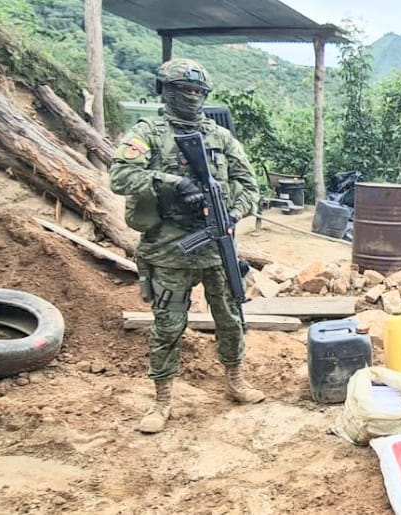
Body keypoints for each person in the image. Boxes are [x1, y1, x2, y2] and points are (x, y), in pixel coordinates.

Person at [110, 58, 264, 433]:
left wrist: (232, 215)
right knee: (168, 325)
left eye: (198, 92)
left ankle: (236, 380)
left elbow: (249, 185)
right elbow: (120, 175)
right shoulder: (148, 132)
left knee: (230, 317)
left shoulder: (220, 136)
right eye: (184, 90)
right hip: (169, 248)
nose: (192, 97)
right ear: (167, 90)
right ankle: (162, 401)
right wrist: (171, 183)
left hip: (216, 246)